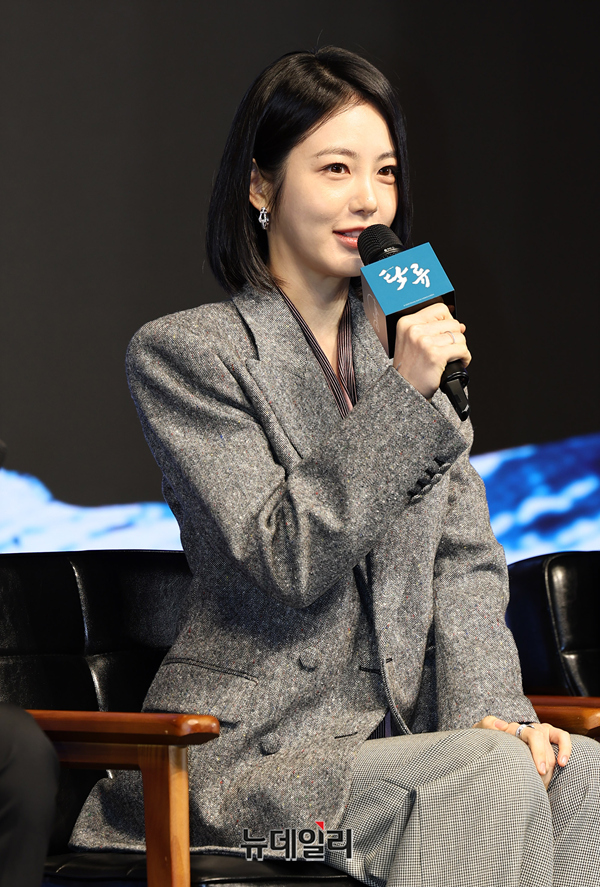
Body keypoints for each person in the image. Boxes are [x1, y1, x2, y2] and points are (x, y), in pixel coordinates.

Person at [71, 47, 600, 886]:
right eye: (335, 168)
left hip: (398, 748)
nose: (368, 199)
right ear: (260, 187)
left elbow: (463, 563)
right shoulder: (188, 353)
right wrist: (404, 399)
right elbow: (284, 556)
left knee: (579, 775)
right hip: (254, 788)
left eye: (384, 172)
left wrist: (494, 717)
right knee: (478, 778)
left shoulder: (410, 342)